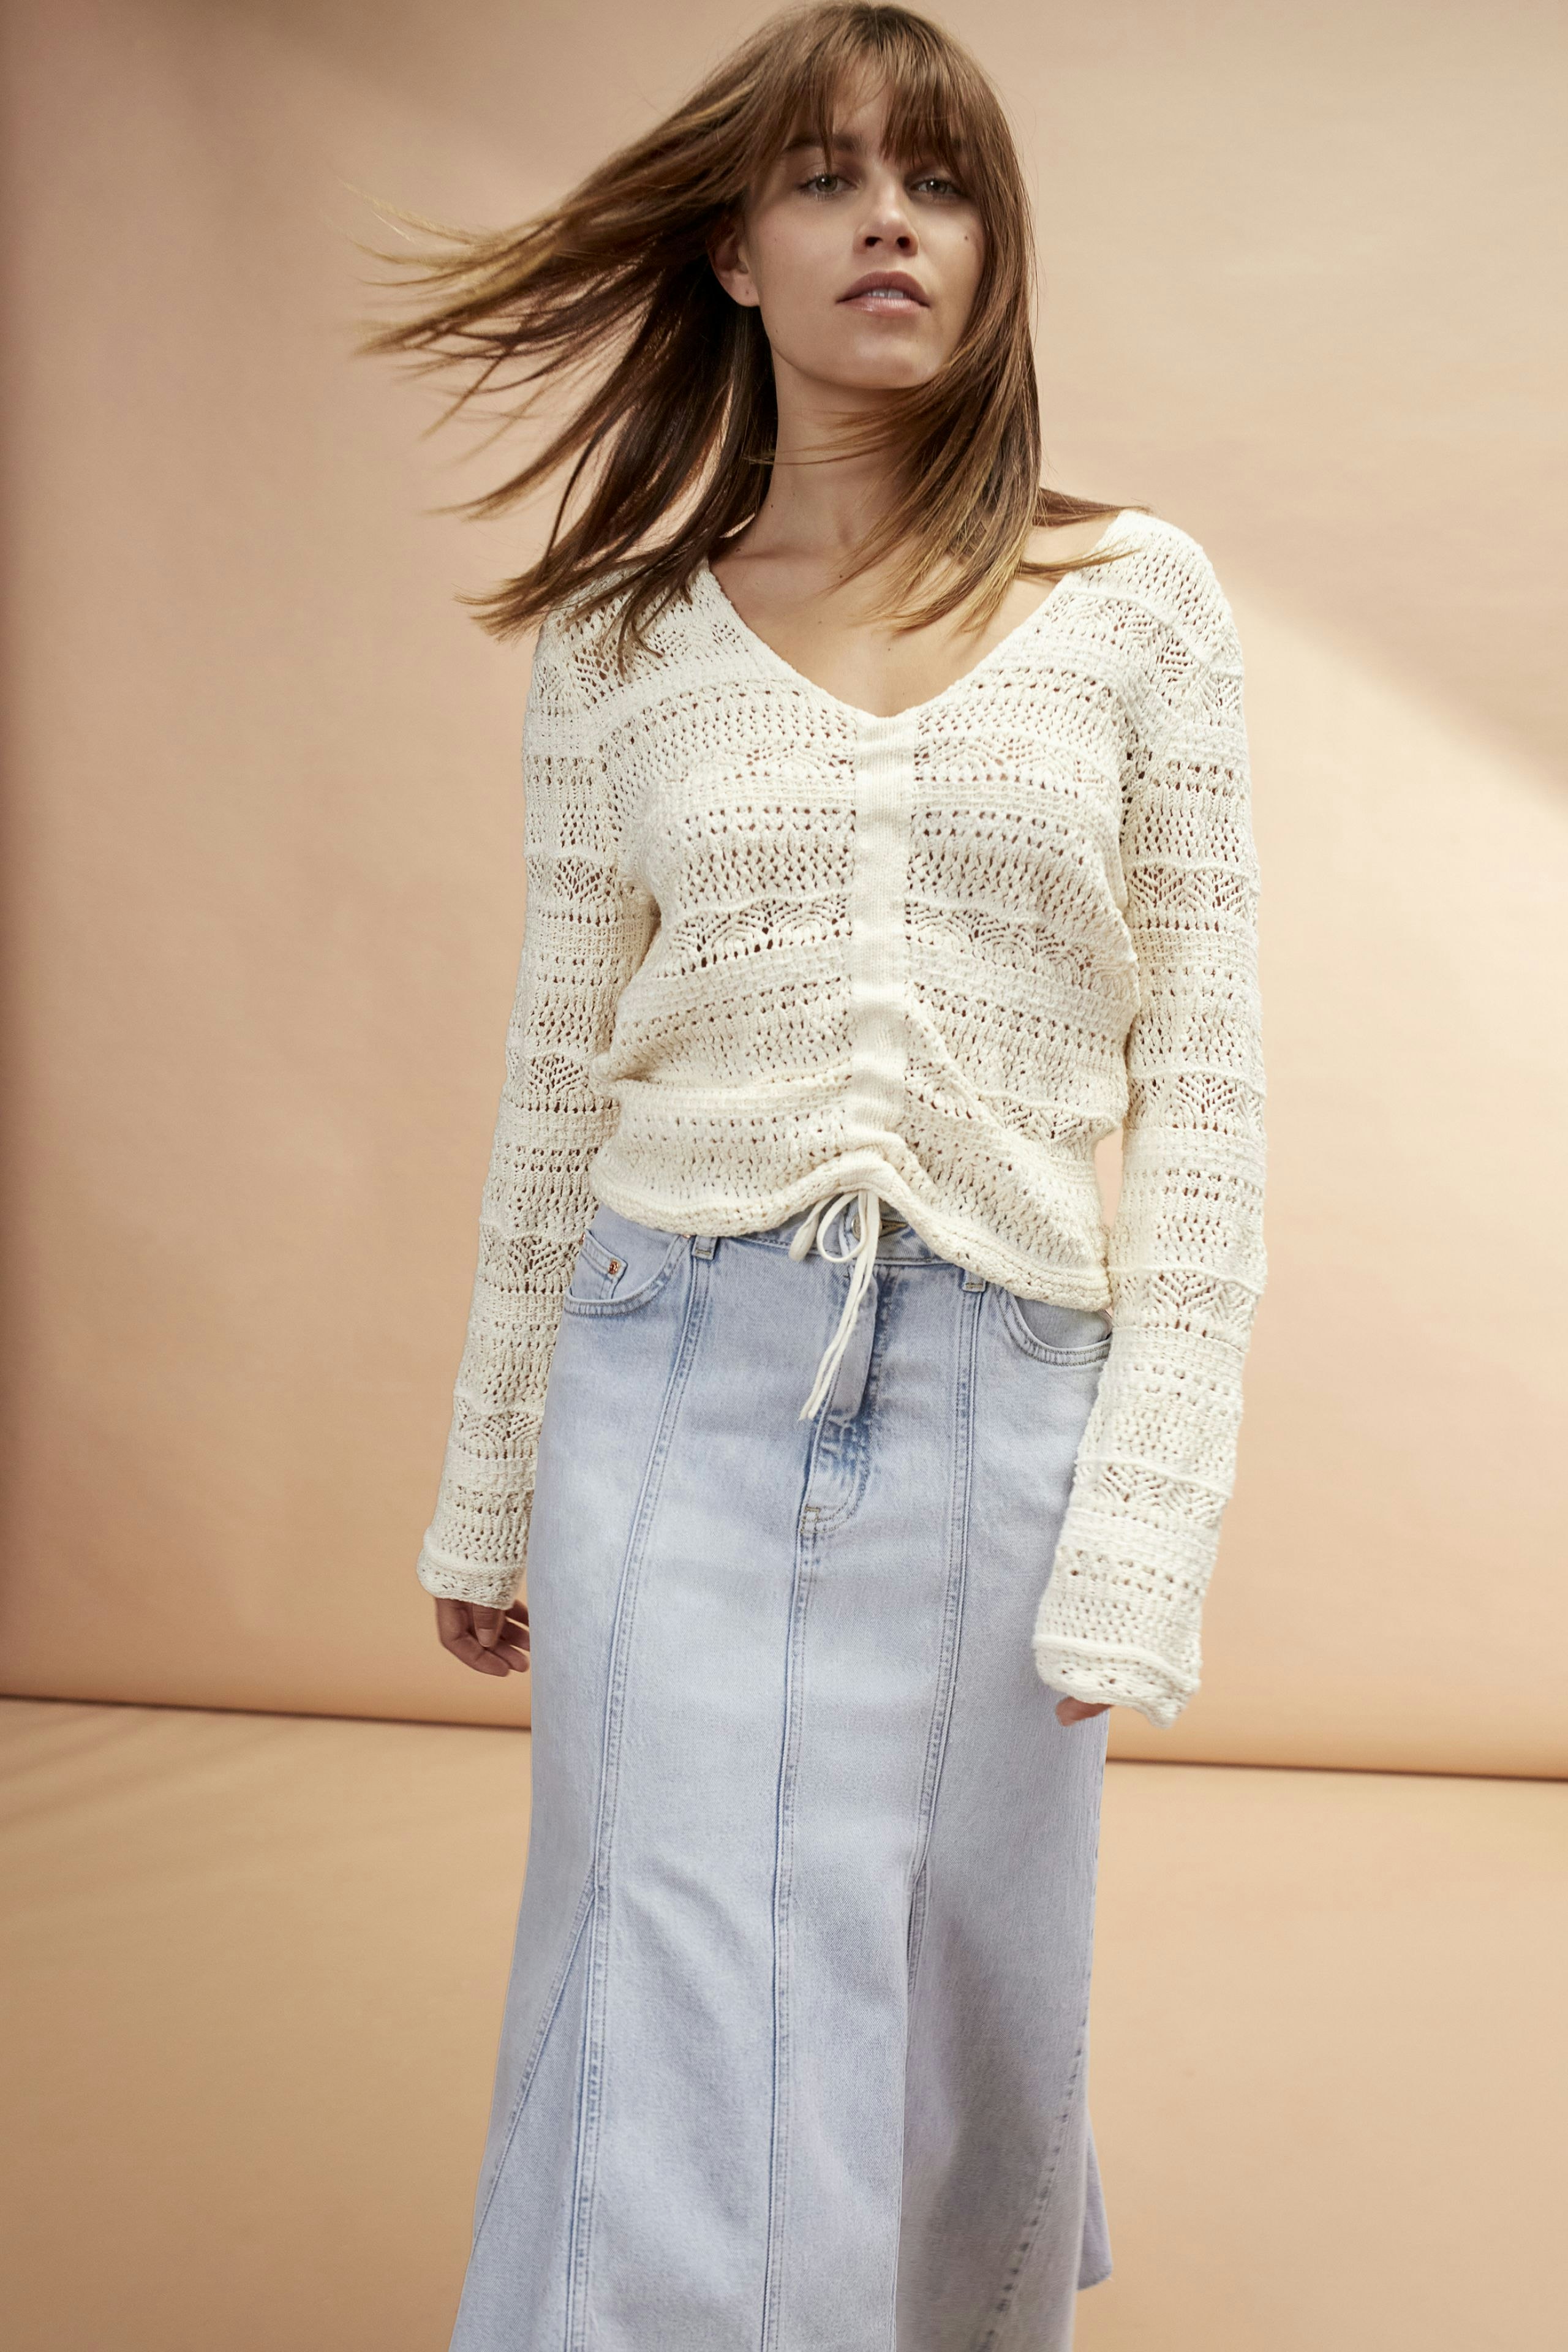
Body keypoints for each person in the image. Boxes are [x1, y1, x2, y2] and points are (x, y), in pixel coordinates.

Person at [364, 5, 1267, 2345]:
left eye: (940, 176)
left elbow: (1217, 1086)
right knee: (664, 1988)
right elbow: (557, 1078)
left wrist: (1146, 1515)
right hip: (666, 1376)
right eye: (829, 175)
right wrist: (485, 1492)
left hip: (1003, 1403)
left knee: (970, 2006)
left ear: (993, 251)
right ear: (737, 253)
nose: (889, 213)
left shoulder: (1138, 604)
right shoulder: (624, 638)